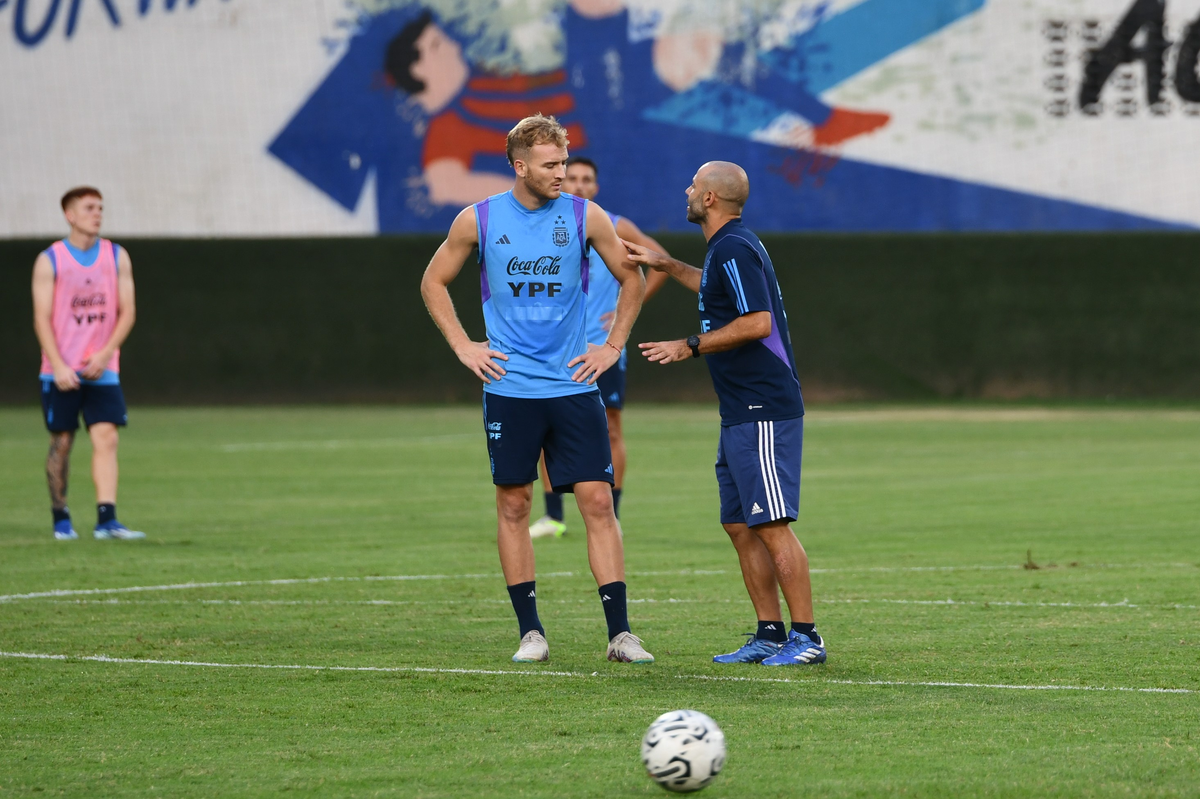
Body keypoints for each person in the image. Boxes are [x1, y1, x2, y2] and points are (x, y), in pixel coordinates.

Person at [420, 114, 654, 664]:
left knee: (598, 501)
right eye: (551, 165)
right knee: (515, 503)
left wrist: (612, 347)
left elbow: (633, 277)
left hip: (574, 384)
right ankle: (531, 633)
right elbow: (433, 281)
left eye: (565, 162)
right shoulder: (477, 220)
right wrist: (463, 346)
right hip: (509, 387)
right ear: (519, 166)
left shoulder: (585, 216)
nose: (562, 174)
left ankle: (620, 634)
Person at [626, 161, 825, 666]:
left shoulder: (734, 247)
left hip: (763, 406)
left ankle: (806, 639)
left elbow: (757, 322)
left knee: (772, 524)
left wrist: (689, 345)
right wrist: (668, 265)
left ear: (711, 198)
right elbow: (716, 289)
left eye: (694, 185)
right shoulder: (725, 247)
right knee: (740, 525)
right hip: (739, 408)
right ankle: (769, 634)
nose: (687, 190)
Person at [528, 156, 669, 539]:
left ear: (595, 186)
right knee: (543, 429)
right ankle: (554, 516)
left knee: (610, 428)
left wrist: (628, 309)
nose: (577, 184)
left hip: (601, 346)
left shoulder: (614, 224)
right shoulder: (540, 223)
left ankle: (614, 513)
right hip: (551, 346)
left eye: (585, 178)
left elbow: (659, 261)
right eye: (570, 177)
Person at [32, 187, 144, 541]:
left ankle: (106, 519)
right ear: (70, 214)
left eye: (100, 207)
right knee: (62, 441)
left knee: (107, 436)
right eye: (89, 207)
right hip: (60, 369)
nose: (97, 213)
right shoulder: (50, 259)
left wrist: (106, 352)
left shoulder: (116, 256)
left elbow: (128, 312)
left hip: (103, 367)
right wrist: (59, 364)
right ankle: (61, 517)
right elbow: (41, 318)